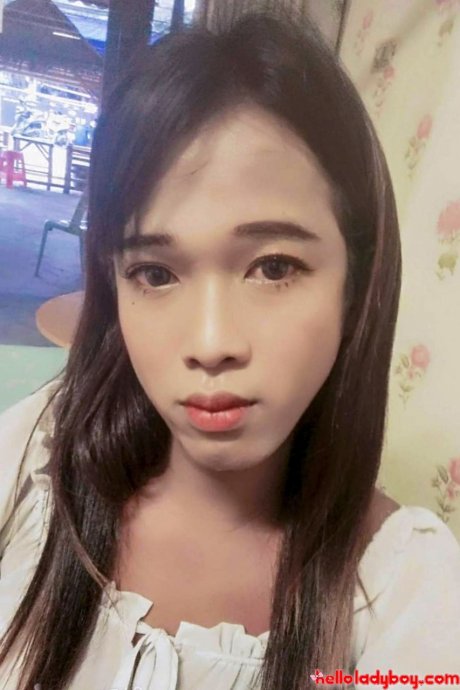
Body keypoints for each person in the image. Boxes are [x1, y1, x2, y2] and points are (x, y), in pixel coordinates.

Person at [1, 9, 459, 690]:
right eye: (155, 273)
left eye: (274, 267)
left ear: (357, 284)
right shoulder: (35, 463)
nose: (211, 344)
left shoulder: (405, 594)